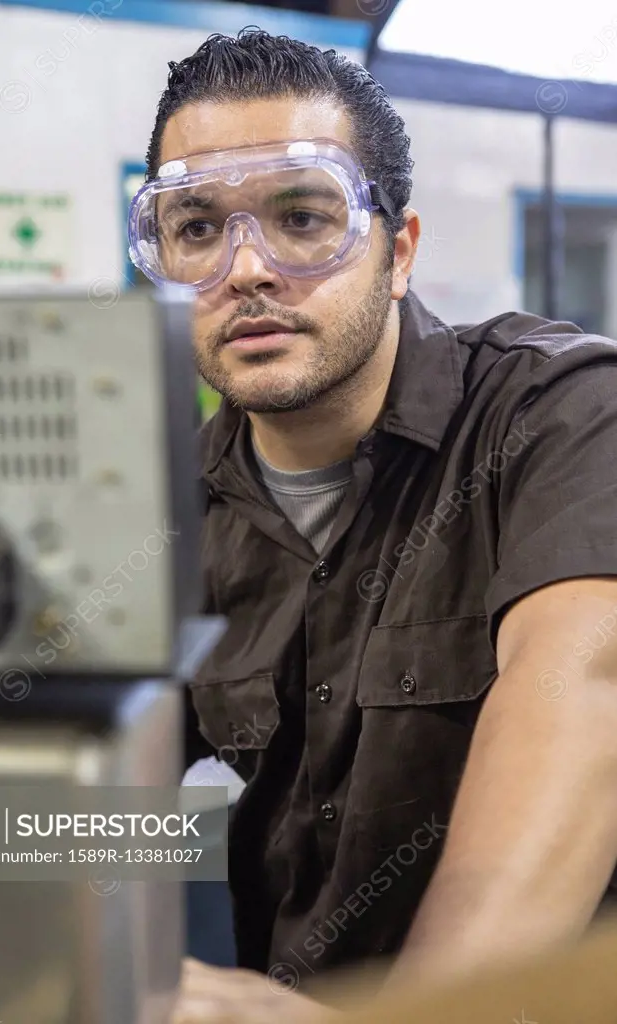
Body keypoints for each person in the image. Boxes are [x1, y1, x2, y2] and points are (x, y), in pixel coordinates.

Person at [129, 27, 617, 1023]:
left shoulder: (559, 417)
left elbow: (587, 702)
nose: (247, 268)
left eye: (301, 216)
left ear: (397, 252)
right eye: (196, 228)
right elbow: (76, 806)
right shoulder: (164, 509)